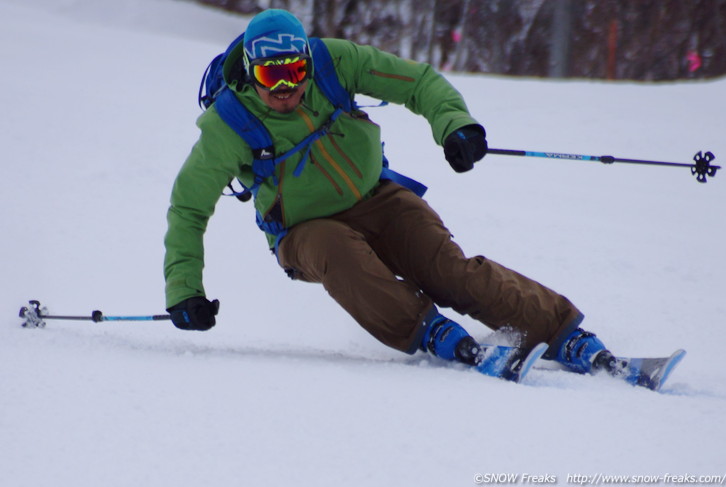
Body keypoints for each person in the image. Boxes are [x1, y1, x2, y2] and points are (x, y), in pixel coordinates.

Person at [164, 9, 616, 377]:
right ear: (251, 71)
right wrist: (184, 291)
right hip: (304, 231)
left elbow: (417, 81)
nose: (285, 89)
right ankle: (430, 331)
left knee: (445, 268)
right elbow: (189, 207)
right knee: (337, 249)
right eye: (270, 76)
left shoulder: (333, 64)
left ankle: (563, 333)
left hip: (377, 197)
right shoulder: (228, 124)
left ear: (307, 60)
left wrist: (455, 125)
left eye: (295, 72)